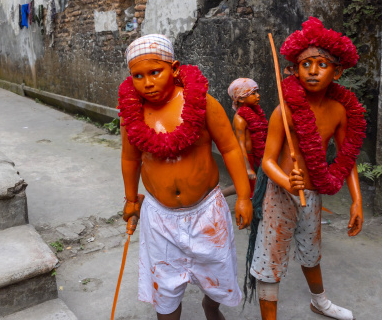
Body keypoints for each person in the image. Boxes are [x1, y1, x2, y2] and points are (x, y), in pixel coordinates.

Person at [118, 34, 253, 320]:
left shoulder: (202, 103)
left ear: (175, 68)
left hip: (206, 212)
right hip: (160, 217)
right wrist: (131, 199)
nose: (148, 82)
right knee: (164, 289)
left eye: (155, 72)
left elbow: (229, 148)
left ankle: (211, 306)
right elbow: (130, 158)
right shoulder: (132, 115)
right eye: (138, 76)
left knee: (217, 275)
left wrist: (243, 196)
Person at [249, 17, 367, 320]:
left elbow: (346, 156)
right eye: (306, 64)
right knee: (270, 258)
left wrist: (357, 200)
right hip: (279, 193)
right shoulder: (284, 110)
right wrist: (287, 182)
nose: (313, 71)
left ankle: (320, 302)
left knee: (310, 251)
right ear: (293, 69)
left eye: (322, 64)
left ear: (337, 72)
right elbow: (267, 161)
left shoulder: (338, 111)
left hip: (312, 193)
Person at [222, 78, 268, 198]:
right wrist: (248, 168)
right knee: (248, 188)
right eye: (253, 93)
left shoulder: (255, 113)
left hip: (256, 156)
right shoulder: (239, 119)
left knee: (248, 185)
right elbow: (240, 144)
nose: (258, 96)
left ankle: (219, 196)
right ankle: (220, 196)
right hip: (246, 158)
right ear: (241, 98)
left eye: (257, 92)